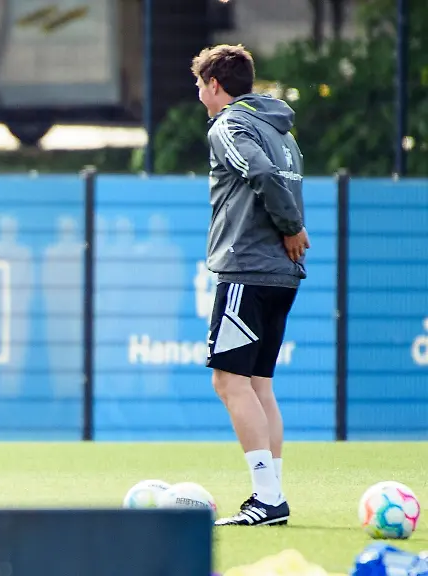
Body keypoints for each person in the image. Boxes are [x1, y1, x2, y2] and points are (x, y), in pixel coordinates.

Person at [192, 44, 310, 526]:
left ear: (215, 85)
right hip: (282, 273)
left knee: (229, 380)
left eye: (200, 84)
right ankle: (272, 495)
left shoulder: (230, 126)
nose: (199, 93)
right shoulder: (279, 129)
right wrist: (291, 230)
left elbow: (258, 173)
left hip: (247, 269)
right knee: (260, 384)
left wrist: (288, 225)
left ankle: (266, 497)